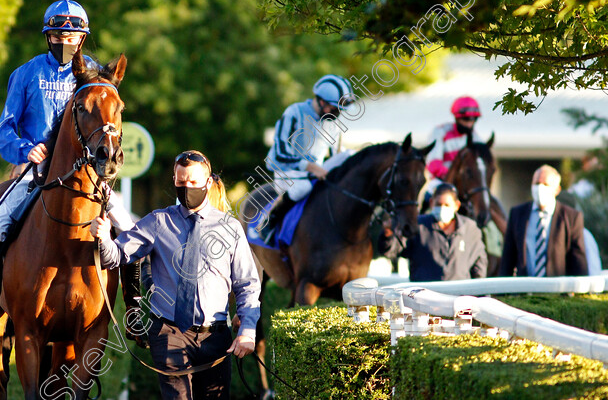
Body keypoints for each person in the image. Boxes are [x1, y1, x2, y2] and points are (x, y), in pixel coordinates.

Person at [0, 0, 139, 346]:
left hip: (87, 174)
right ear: (48, 37)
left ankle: (135, 310)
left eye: (73, 37)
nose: (66, 43)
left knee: (131, 230)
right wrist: (24, 149)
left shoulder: (93, 73)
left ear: (82, 40)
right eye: (59, 36)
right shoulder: (26, 73)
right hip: (36, 170)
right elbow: (4, 129)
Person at [90, 150, 261, 400]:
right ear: (174, 181)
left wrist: (248, 329)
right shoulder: (158, 222)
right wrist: (104, 238)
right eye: (181, 182)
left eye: (193, 182)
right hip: (169, 333)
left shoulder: (230, 227)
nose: (187, 187)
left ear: (208, 183)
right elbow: (114, 257)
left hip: (216, 337)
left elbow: (247, 284)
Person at [263, 74, 356, 234]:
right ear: (322, 102)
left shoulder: (333, 123)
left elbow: (335, 156)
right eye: (335, 109)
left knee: (350, 155)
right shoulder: (294, 112)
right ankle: (272, 219)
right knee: (303, 187)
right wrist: (311, 167)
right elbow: (280, 153)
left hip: (316, 171)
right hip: (286, 171)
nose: (337, 114)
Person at [379, 183, 487, 281]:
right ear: (431, 203)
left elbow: (479, 266)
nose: (442, 208)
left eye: (447, 205)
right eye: (438, 204)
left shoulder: (470, 229)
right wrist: (388, 234)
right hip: (424, 297)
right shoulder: (419, 225)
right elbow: (392, 250)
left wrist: (479, 295)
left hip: (459, 298)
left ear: (456, 206)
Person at [498, 165, 588, 277]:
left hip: (557, 290)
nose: (540, 188)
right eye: (536, 183)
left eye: (545, 184)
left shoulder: (571, 217)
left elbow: (579, 263)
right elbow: (508, 258)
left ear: (557, 190)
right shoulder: (517, 214)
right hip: (524, 289)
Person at [425, 96, 483, 183]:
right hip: (440, 182)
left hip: (465, 184)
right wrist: (457, 177)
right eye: (466, 119)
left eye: (474, 119)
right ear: (456, 117)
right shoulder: (440, 132)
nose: (469, 124)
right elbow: (434, 165)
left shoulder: (476, 137)